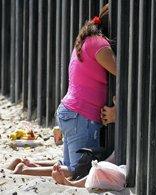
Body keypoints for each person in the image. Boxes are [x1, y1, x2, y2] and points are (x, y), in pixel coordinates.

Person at [7, 4, 116, 178]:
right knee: (78, 171)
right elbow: (123, 73)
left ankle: (26, 164)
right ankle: (25, 171)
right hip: (82, 116)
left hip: (71, 112)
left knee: (67, 165)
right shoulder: (99, 45)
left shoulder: (88, 40)